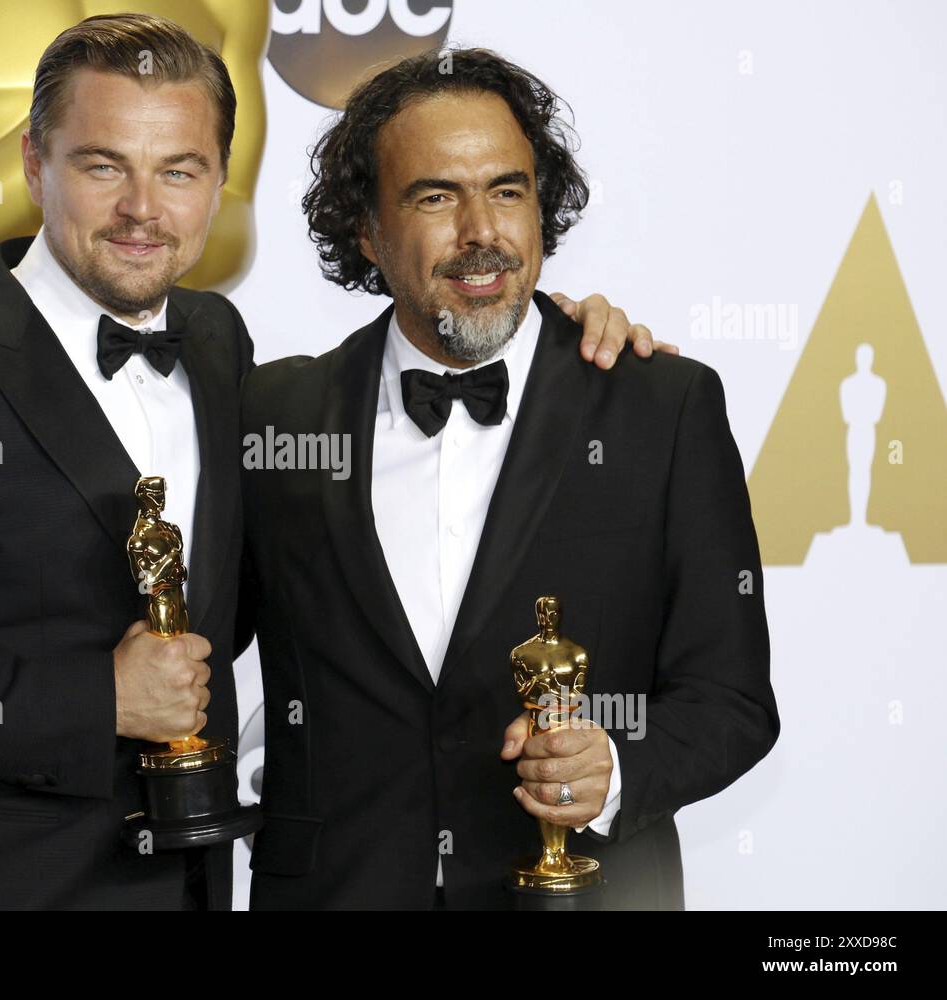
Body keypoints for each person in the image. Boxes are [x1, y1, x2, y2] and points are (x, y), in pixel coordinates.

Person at [0, 13, 661, 911]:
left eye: (179, 171)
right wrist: (97, 699)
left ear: (219, 183)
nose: (143, 211)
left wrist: (538, 330)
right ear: (36, 165)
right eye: (103, 164)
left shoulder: (217, 345)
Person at [240, 48, 780, 910]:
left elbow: (733, 700)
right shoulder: (274, 413)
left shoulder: (660, 408)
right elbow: (187, 638)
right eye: (434, 196)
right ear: (367, 230)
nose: (479, 231)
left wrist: (616, 765)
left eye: (507, 190)